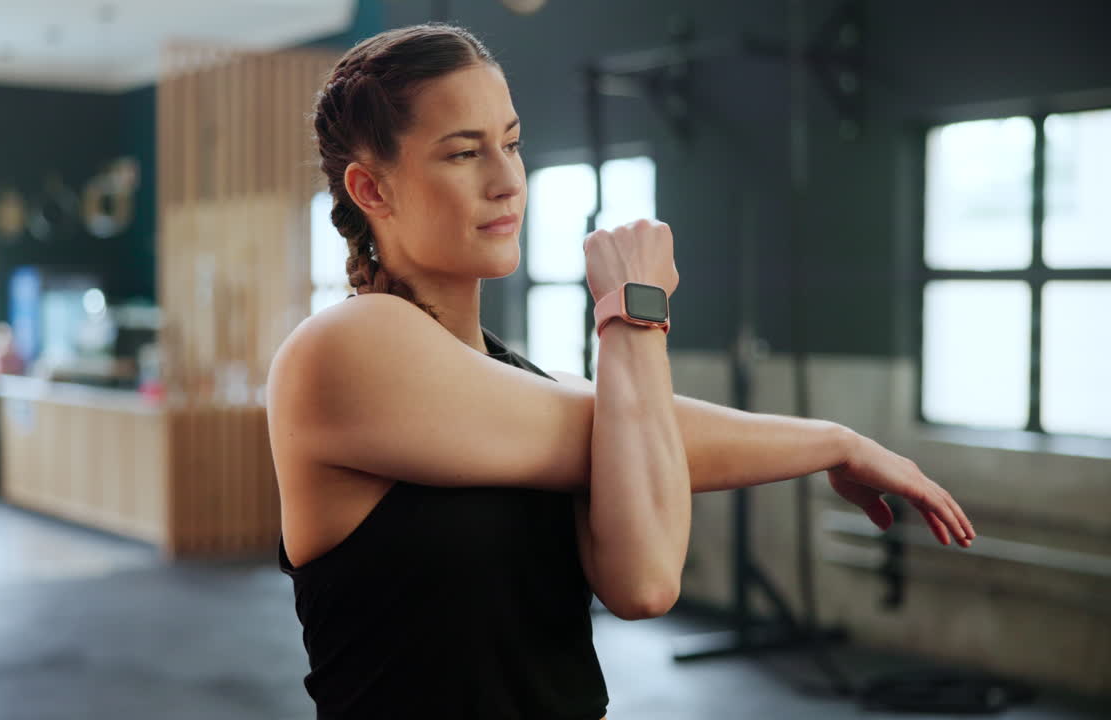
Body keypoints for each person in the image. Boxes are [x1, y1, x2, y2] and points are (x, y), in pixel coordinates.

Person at [267, 23, 975, 720]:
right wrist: (633, 312)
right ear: (371, 188)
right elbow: (651, 570)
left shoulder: (526, 385)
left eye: (512, 144)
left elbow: (638, 548)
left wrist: (839, 440)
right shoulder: (344, 348)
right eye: (463, 154)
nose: (507, 181)